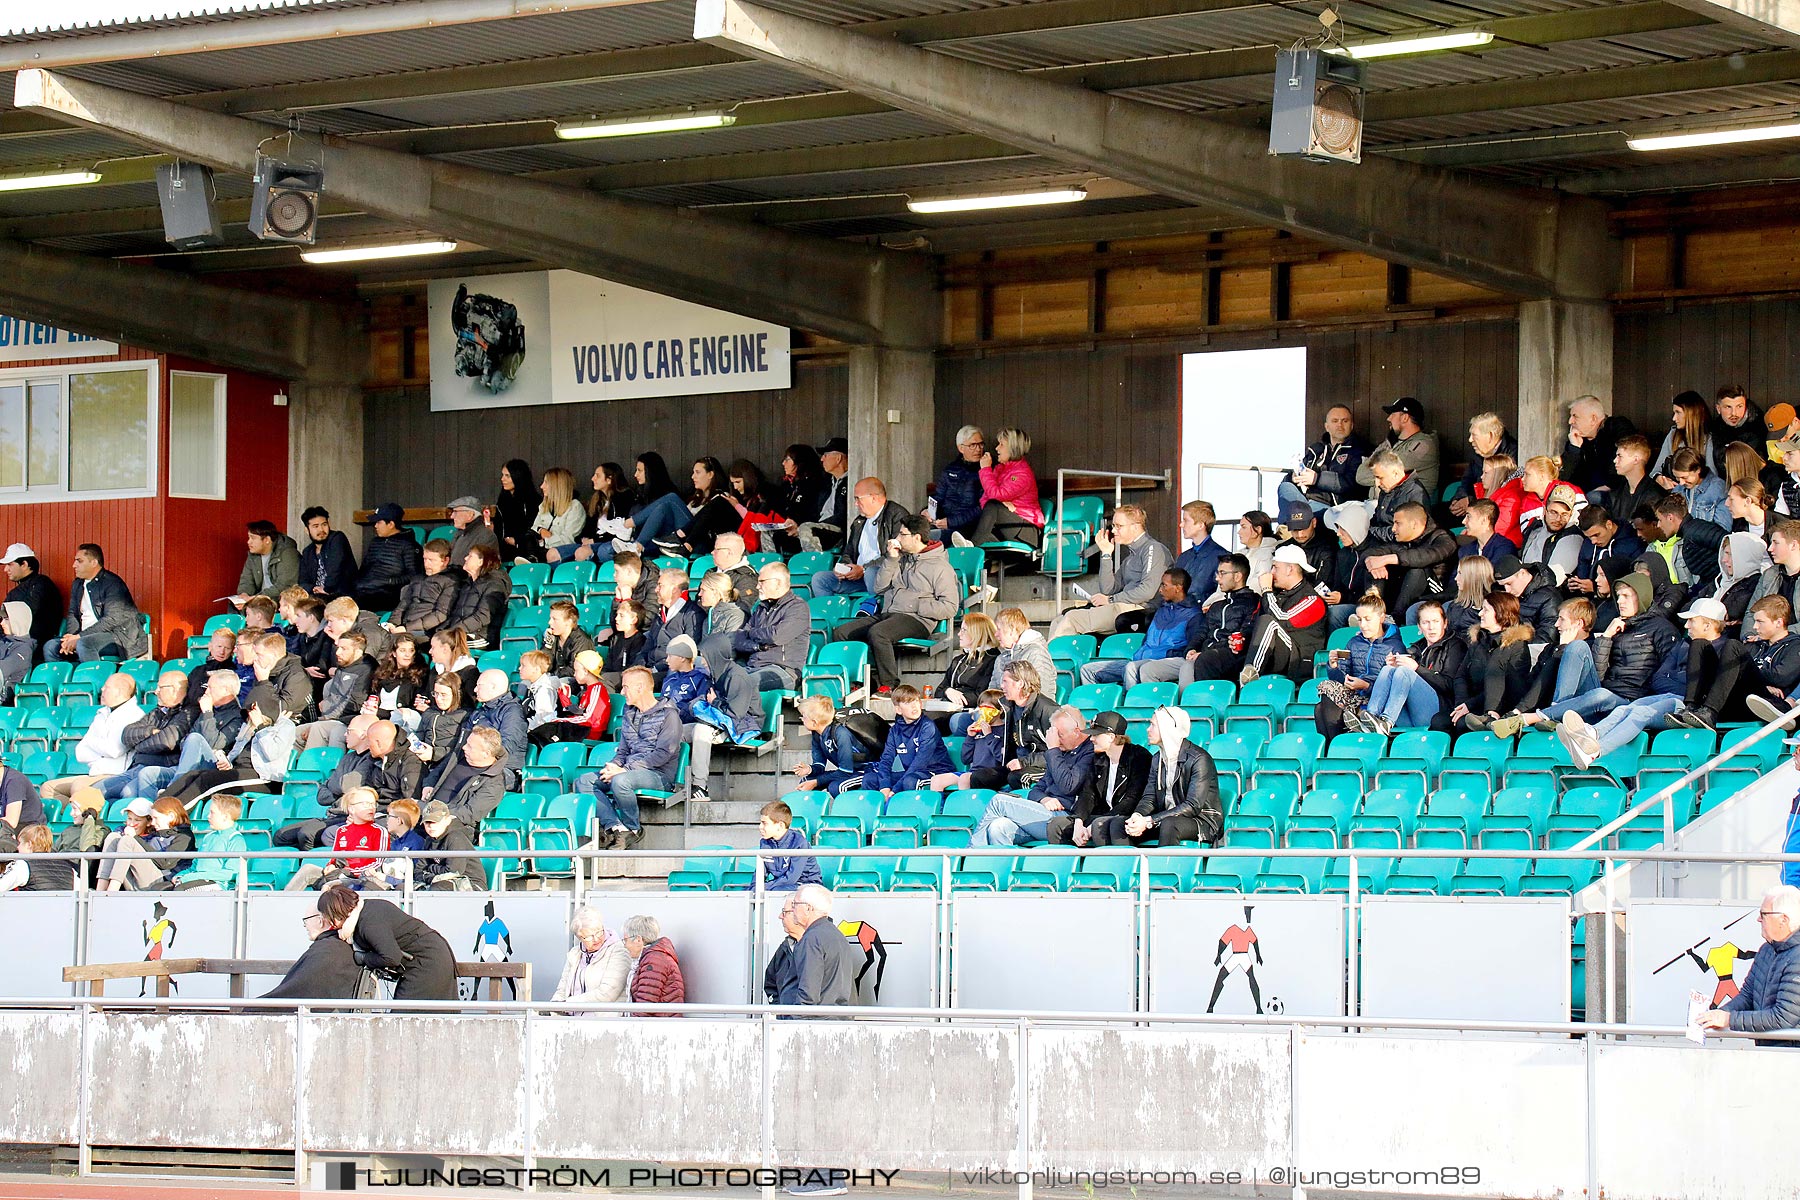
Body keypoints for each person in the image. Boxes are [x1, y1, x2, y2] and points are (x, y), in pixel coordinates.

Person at [1489, 570, 1676, 737]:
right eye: (1618, 596)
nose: (1619, 602)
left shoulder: (1662, 628)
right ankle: (1556, 712)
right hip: (1602, 693)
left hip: (1631, 701)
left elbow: (1669, 672)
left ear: (1641, 597)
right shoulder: (1617, 626)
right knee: (1577, 647)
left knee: (1601, 695)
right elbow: (1600, 672)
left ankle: (1542, 716)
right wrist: (1607, 637)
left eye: (1626, 596)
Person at [828, 515, 960, 690]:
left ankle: (889, 686)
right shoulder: (899, 559)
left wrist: (916, 605)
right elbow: (879, 588)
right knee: (842, 633)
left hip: (917, 620)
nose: (897, 538)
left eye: (902, 534)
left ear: (917, 538)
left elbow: (950, 607)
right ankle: (858, 683)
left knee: (878, 633)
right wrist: (890, 560)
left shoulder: (940, 568)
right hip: (889, 614)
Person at [576, 666, 679, 849]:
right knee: (584, 781)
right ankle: (616, 826)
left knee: (620, 781)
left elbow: (663, 754)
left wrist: (624, 770)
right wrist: (613, 765)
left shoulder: (668, 715)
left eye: (625, 687)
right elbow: (623, 750)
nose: (622, 692)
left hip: (658, 774)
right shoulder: (629, 712)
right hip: (628, 770)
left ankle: (633, 828)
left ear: (640, 688)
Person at [1090, 706, 1221, 847]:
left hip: (1201, 820)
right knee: (1118, 824)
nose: (1148, 729)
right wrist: (1138, 816)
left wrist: (1149, 821)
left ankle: (1163, 868)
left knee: (1170, 824)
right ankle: (1125, 867)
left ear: (1167, 728)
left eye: (1153, 725)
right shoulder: (1157, 758)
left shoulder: (1199, 759)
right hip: (1164, 818)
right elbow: (1149, 797)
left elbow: (1192, 806)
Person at [1048, 504, 1171, 640]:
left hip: (1139, 609)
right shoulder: (1130, 557)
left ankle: (1046, 660)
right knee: (1058, 620)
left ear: (1135, 526)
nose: (1114, 530)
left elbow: (1147, 591)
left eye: (1119, 526)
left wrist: (1110, 599)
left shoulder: (1152, 549)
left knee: (1072, 619)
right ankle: (1055, 658)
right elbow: (1108, 589)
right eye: (1113, 525)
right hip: (1121, 605)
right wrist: (1106, 554)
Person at [1696, 885, 1800, 1042]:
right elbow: (1747, 996)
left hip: (1790, 1056)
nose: (1758, 919)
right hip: (1772, 1050)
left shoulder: (1797, 958)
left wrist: (1729, 1019)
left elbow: (1783, 1017)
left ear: (1783, 920)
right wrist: (1716, 1016)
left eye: (1763, 914)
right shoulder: (1766, 950)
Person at [323, 885, 458, 1000]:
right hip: (428, 956)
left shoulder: (369, 923)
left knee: (403, 1021)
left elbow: (391, 957)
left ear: (336, 914)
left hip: (427, 963)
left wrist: (363, 958)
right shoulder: (367, 909)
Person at [1079, 569, 1201, 688]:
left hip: (1160, 663)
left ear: (1178, 588)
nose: (1160, 590)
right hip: (1138, 660)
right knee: (1088, 670)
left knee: (1131, 668)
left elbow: (1189, 650)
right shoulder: (1161, 611)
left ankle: (1131, 706)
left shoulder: (1193, 616)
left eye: (1164, 585)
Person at [1358, 601, 1466, 735]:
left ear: (1445, 623)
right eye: (1426, 623)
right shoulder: (1416, 648)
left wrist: (1416, 668)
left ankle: (1386, 722)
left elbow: (1450, 685)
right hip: (1411, 714)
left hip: (1438, 711)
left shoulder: (1454, 646)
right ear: (1419, 627)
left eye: (1436, 621)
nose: (1431, 627)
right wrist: (1394, 665)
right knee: (1388, 669)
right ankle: (1371, 718)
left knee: (1404, 671)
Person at [39, 672, 143, 804]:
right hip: (94, 773)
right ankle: (74, 817)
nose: (102, 690)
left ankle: (87, 821)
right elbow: (80, 753)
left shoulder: (133, 715)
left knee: (79, 786)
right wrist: (98, 750)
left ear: (119, 691)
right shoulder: (102, 713)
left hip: (116, 774)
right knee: (48, 788)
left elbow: (114, 750)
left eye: (107, 687)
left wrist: (90, 741)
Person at [1051, 711, 1151, 847]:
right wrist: (1079, 821)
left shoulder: (1139, 757)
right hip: (1102, 816)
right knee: (1057, 825)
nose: (1091, 739)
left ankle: (1103, 867)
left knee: (1100, 825)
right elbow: (1088, 794)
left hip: (1127, 817)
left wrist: (1095, 823)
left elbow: (1132, 800)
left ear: (1111, 737)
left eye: (1096, 735)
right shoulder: (1098, 758)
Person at [959, 661, 1055, 793]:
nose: (1001, 686)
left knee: (1017, 777)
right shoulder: (1009, 707)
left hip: (1044, 766)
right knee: (979, 777)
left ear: (1020, 683)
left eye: (1005, 681)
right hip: (1016, 764)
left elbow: (1059, 750)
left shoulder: (1046, 709)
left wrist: (1024, 762)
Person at [1315, 597, 1405, 737]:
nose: (1363, 625)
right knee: (1323, 700)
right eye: (1359, 619)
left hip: (1375, 699)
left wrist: (1365, 686)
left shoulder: (1395, 646)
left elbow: (1397, 685)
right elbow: (1340, 679)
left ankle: (1334, 749)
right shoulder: (1353, 642)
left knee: (1321, 708)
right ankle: (1335, 749)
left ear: (1381, 618)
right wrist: (1333, 666)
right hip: (1353, 695)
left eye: (1368, 619)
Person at [1240, 545, 1328, 685]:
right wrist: (1241, 639)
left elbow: (1281, 619)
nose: (1271, 572)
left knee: (1267, 621)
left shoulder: (1312, 600)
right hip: (1272, 654)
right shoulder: (1275, 595)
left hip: (1298, 660)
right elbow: (1254, 623)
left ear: (1290, 569)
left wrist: (1267, 590)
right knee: (1215, 659)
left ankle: (1249, 681)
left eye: (1275, 567)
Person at [1665, 598, 1757, 731]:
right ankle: (1691, 708)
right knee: (1698, 643)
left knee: (1733, 645)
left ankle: (1710, 711)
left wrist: (1676, 676)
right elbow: (1658, 677)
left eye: (1692, 621)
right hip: (1706, 703)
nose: (1686, 626)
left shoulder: (1730, 648)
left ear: (1707, 625)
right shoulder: (1689, 645)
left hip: (1741, 703)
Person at [813, 477, 908, 598]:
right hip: (857, 576)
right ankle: (828, 613)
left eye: (858, 498)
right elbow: (849, 551)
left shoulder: (897, 515)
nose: (855, 503)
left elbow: (897, 554)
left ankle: (874, 612)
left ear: (874, 498)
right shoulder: (859, 521)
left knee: (871, 573)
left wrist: (863, 569)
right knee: (820, 579)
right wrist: (844, 567)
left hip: (882, 576)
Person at [51, 544, 147, 662]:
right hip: (84, 636)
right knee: (51, 647)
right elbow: (73, 614)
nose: (74, 565)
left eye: (79, 561)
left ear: (94, 563)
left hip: (117, 637)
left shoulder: (113, 584)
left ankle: (93, 678)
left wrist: (79, 637)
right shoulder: (77, 584)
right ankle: (68, 679)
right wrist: (70, 638)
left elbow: (112, 619)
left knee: (84, 644)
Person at [1178, 554, 1261, 686]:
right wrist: (1191, 649)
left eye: (1222, 573)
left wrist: (1204, 653)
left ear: (1237, 576)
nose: (1217, 578)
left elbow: (1244, 636)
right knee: (1149, 669)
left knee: (1197, 663)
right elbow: (1202, 632)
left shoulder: (1253, 602)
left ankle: (1196, 705)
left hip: (1230, 657)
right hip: (1203, 655)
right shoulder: (1216, 605)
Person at [261, 900, 367, 1001]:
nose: (304, 925)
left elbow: (297, 990)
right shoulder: (340, 947)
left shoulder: (325, 950)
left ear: (320, 921)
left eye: (306, 920)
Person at [286, 787, 389, 891]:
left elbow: (378, 863)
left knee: (330, 886)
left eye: (373, 804)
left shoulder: (380, 831)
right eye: (365, 804)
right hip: (339, 873)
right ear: (351, 808)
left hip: (360, 878)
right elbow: (335, 858)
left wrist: (350, 871)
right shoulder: (341, 831)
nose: (371, 808)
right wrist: (330, 866)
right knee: (308, 869)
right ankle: (283, 902)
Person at [959, 427, 1044, 551]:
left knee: (993, 506)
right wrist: (1001, 503)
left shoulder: (1022, 473)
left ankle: (970, 551)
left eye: (1001, 445)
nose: (996, 448)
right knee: (968, 527)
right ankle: (969, 548)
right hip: (1005, 528)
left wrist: (985, 469)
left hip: (1026, 532)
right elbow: (984, 500)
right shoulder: (1000, 469)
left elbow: (994, 498)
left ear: (1013, 448)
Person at [861, 686, 952, 796]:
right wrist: (884, 787)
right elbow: (886, 760)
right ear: (898, 710)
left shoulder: (928, 727)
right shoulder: (895, 731)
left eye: (916, 701)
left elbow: (919, 763)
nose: (914, 706)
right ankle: (878, 812)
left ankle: (913, 812)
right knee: (870, 779)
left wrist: (894, 790)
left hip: (937, 772)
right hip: (912, 773)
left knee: (909, 781)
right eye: (908, 702)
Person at [96, 796, 194, 891]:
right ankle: (100, 890)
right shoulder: (155, 833)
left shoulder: (184, 837)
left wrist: (135, 838)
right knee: (113, 837)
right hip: (138, 878)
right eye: (152, 819)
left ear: (171, 817)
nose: (152, 823)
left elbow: (165, 863)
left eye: (156, 818)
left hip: (161, 881)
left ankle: (111, 892)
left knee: (127, 840)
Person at [1282, 404, 1368, 511]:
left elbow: (1352, 483)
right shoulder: (1316, 450)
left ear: (1351, 425)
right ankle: (1293, 523)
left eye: (1345, 421)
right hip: (1306, 500)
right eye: (1335, 421)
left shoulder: (1360, 450)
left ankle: (1296, 522)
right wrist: (1294, 477)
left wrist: (1316, 479)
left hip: (1333, 508)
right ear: (1327, 427)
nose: (1340, 425)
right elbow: (1293, 476)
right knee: (1285, 487)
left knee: (1299, 513)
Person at [791, 883, 863, 1007]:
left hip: (816, 1020)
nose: (793, 909)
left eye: (795, 904)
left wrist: (796, 1019)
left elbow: (808, 993)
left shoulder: (812, 939)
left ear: (808, 908)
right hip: (837, 1017)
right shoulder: (838, 935)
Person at [1356, 396, 1440, 497]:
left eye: (1392, 414)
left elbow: (1388, 470)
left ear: (1405, 418)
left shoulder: (1424, 446)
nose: (1388, 418)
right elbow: (1360, 475)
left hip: (1408, 509)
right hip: (1380, 506)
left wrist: (1377, 471)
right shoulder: (1390, 443)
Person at [552, 905, 631, 1006]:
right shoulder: (575, 953)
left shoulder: (619, 951)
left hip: (603, 1019)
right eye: (589, 937)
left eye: (598, 933)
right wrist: (553, 1008)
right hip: (572, 1018)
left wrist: (567, 1004)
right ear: (579, 937)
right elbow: (562, 989)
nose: (596, 939)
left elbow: (607, 993)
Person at [385, 538, 461, 643]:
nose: (427, 564)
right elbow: (403, 604)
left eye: (432, 560)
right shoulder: (418, 578)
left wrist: (407, 628)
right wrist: (392, 623)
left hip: (426, 632)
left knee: (391, 642)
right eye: (425, 559)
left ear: (445, 561)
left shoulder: (450, 582)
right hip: (404, 627)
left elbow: (440, 615)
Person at [354, 503, 423, 612]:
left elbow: (413, 575)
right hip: (364, 590)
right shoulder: (375, 542)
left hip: (388, 594)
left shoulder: (409, 545)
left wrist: (388, 581)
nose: (375, 526)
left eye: (378, 522)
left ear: (391, 524)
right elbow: (363, 569)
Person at [929, 612, 999, 719]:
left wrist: (958, 698)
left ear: (977, 632)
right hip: (949, 709)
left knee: (951, 721)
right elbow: (939, 690)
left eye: (963, 630)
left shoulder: (992, 660)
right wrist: (948, 691)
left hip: (971, 712)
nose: (959, 634)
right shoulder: (958, 661)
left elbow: (982, 695)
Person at [1561, 395, 1634, 495]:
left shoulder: (1617, 429)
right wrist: (1574, 449)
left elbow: (1628, 462)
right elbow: (1563, 479)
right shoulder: (1577, 438)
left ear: (1593, 419)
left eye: (1575, 416)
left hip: (1617, 494)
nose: (1570, 421)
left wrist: (1610, 485)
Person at [444, 543, 511, 650]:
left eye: (470, 556)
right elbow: (454, 614)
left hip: (481, 637)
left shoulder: (495, 585)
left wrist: (453, 631)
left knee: (446, 646)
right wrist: (443, 630)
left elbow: (483, 617)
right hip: (461, 633)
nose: (465, 558)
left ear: (481, 562)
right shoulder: (467, 584)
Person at [2, 544, 62, 663]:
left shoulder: (42, 584)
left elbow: (28, 613)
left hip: (37, 642)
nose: (5, 569)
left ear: (24, 564)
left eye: (10, 564)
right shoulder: (14, 593)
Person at [1451, 412, 1518, 517]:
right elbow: (1467, 479)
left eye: (1474, 435)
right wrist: (1461, 498)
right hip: (1474, 503)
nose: (1470, 440)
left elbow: (1503, 491)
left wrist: (1471, 501)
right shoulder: (1479, 451)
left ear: (1490, 436)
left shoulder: (1513, 454)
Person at [928, 425, 986, 544]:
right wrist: (926, 511)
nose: (978, 449)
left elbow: (982, 508)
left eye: (980, 444)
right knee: (912, 533)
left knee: (926, 538)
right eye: (972, 445)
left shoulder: (987, 472)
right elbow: (938, 497)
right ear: (961, 448)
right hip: (943, 523)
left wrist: (951, 522)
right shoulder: (951, 469)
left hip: (968, 527)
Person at [793, 696, 861, 796]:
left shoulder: (841, 733)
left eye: (803, 716)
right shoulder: (817, 734)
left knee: (837, 787)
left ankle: (844, 811)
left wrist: (816, 782)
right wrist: (809, 769)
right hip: (847, 772)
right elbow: (820, 765)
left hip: (864, 771)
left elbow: (846, 771)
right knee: (806, 781)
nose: (802, 719)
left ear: (814, 722)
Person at [1597, 434, 1666, 528]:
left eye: (1619, 456)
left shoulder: (1655, 495)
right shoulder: (1615, 494)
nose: (1615, 460)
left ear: (1636, 459)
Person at [1365, 450, 1431, 546]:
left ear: (1395, 473)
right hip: (1380, 542)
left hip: (1402, 548)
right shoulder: (1386, 490)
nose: (1377, 483)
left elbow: (1408, 532)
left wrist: (1371, 532)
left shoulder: (1415, 493)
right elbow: (1377, 519)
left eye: (1380, 478)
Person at [414, 799, 483, 890]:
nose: (431, 826)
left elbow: (453, 872)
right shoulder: (429, 840)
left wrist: (430, 868)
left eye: (435, 821)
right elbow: (418, 870)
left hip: (471, 884)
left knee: (437, 888)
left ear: (447, 820)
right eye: (427, 822)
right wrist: (431, 878)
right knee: (405, 887)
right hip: (441, 882)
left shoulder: (456, 838)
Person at [624, 915, 686, 1016]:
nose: (625, 945)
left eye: (626, 940)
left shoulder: (654, 961)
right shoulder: (653, 957)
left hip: (660, 1027)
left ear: (638, 940)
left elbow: (646, 1006)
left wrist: (629, 1028)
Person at [230, 520, 299, 609]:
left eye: (253, 538)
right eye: (249, 538)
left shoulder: (287, 553)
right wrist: (244, 595)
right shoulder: (253, 555)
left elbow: (284, 586)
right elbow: (246, 580)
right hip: (259, 600)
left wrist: (255, 598)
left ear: (267, 540)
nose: (248, 542)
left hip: (279, 600)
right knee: (234, 606)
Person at [1171, 501, 1228, 605]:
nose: (1181, 525)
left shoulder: (1222, 557)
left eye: (1186, 521)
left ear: (1201, 525)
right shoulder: (1183, 557)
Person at [758, 800, 822, 891]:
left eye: (764, 823)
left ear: (780, 825)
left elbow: (791, 878)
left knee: (775, 890)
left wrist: (766, 887)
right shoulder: (764, 843)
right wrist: (754, 887)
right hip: (780, 884)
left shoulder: (799, 843)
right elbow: (760, 874)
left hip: (807, 885)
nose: (760, 827)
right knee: (747, 891)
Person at [296, 507, 358, 600]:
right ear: (307, 530)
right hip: (316, 597)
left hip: (340, 596)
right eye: (315, 526)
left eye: (324, 524)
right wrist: (313, 589)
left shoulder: (337, 539)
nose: (321, 529)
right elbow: (302, 581)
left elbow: (335, 569)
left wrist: (326, 589)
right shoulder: (307, 552)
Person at [0, 823, 75, 892]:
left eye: (20, 843)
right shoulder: (69, 868)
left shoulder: (23, 866)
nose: (18, 847)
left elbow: (2, 885)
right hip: (64, 906)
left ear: (29, 844)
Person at [494, 459, 544, 562]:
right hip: (503, 545)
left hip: (524, 547)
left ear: (518, 476)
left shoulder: (532, 500)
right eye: (502, 475)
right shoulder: (502, 500)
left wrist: (516, 540)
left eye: (507, 476)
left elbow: (534, 527)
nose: (502, 479)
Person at [534, 467, 588, 562]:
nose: (541, 486)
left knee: (551, 554)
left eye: (546, 482)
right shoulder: (543, 506)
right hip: (542, 548)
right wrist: (541, 530)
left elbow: (568, 539)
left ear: (557, 485)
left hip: (564, 551)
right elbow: (534, 528)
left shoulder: (574, 507)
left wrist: (545, 539)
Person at [444, 495, 500, 566]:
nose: (452, 516)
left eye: (455, 512)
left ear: (470, 514)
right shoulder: (459, 533)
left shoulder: (486, 536)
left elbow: (482, 569)